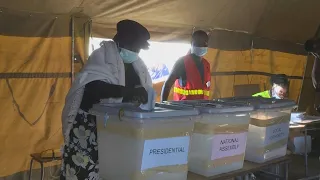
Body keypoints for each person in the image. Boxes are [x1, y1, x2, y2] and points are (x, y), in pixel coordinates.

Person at [60, 20, 152, 180]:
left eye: (138, 49)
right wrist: (125, 92)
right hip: (89, 129)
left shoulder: (138, 65)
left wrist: (141, 95)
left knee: (111, 171)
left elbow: (143, 88)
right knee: (84, 171)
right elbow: (94, 87)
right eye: (134, 47)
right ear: (121, 42)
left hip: (115, 129)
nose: (136, 51)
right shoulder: (102, 57)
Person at [161, 30, 211, 101]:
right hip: (183, 110)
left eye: (204, 43)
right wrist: (163, 106)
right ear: (191, 43)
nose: (201, 45)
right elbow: (167, 86)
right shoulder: (182, 62)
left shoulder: (206, 65)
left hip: (202, 109)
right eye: (198, 43)